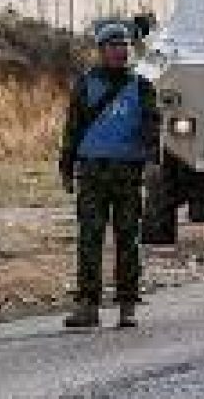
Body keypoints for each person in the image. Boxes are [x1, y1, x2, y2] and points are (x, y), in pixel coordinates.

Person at [59, 22, 161, 329]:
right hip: (92, 172)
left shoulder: (141, 86)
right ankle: (88, 306)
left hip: (128, 172)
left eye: (124, 46)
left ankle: (127, 305)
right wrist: (66, 166)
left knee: (127, 239)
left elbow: (152, 126)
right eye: (113, 46)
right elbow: (73, 127)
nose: (120, 51)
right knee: (89, 239)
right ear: (101, 51)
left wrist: (152, 158)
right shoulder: (86, 84)